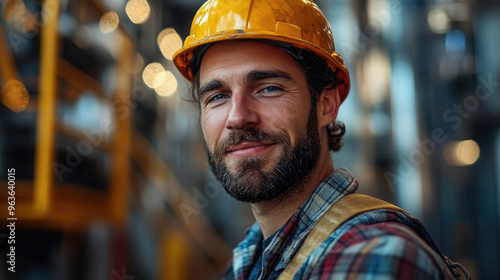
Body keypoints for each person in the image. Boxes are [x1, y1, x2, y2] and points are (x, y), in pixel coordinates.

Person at [173, 0, 470, 279]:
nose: (237, 117)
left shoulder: (371, 258)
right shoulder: (248, 261)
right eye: (218, 96)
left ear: (327, 104)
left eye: (269, 88)